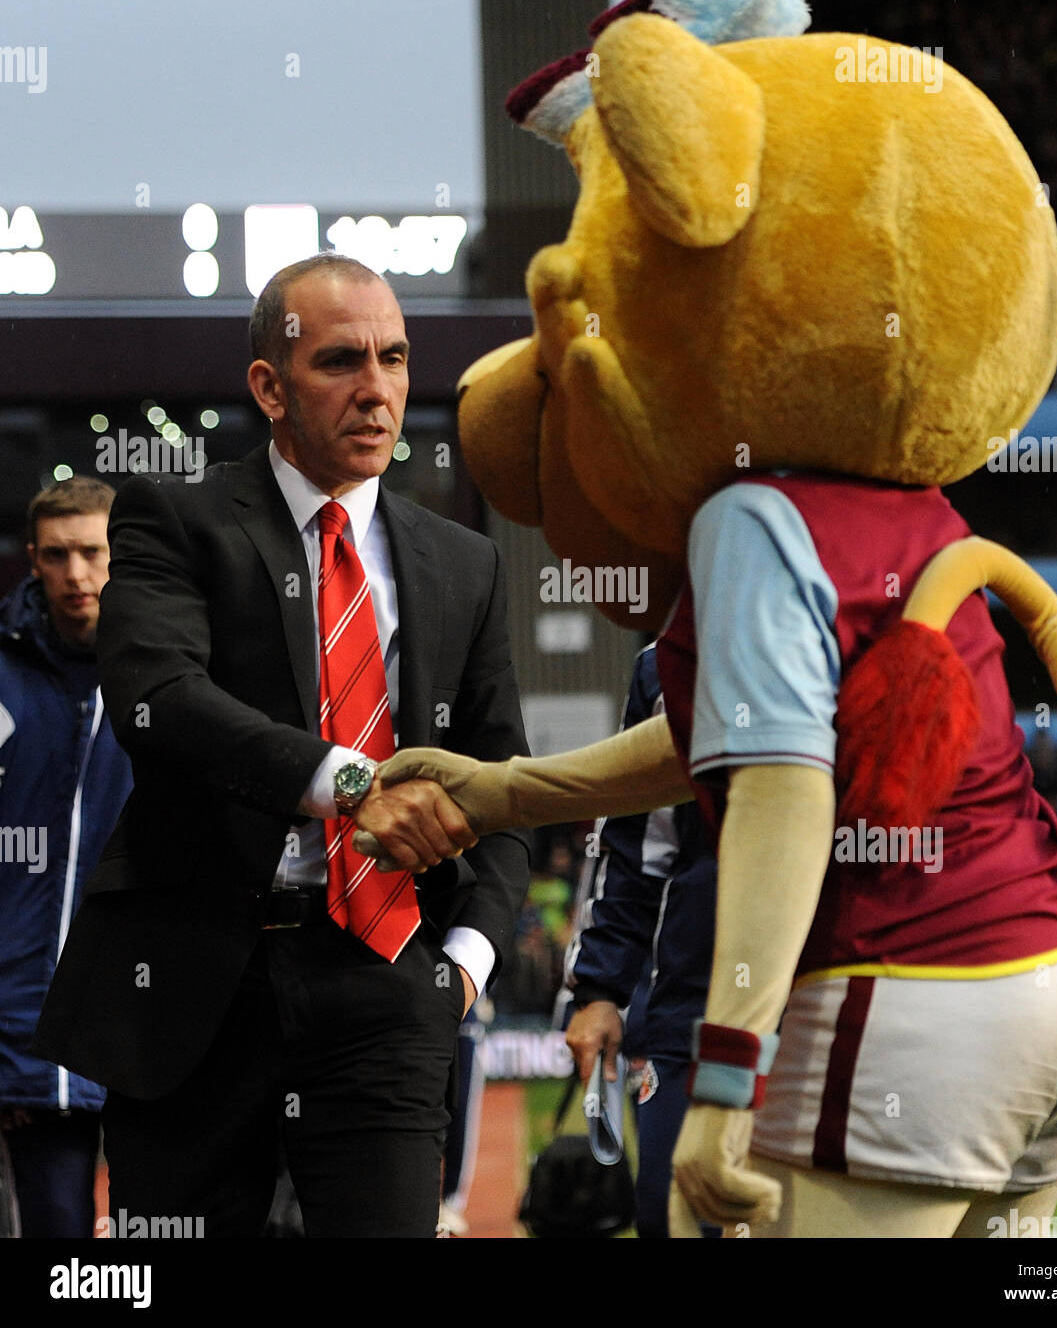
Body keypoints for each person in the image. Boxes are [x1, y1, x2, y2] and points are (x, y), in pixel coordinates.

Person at [34, 254, 531, 1238]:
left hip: (388, 978)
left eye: (393, 357)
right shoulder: (175, 520)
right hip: (189, 984)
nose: (378, 387)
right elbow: (160, 698)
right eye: (342, 360)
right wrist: (348, 783)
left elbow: (503, 784)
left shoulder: (465, 564)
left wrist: (463, 965)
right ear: (269, 385)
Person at [0, 478, 132, 1236]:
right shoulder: (6, 674)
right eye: (57, 556)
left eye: (92, 552)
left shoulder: (174, 670)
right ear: (33, 561)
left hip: (150, 1015)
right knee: (57, 1235)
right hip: (27, 1024)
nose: (76, 574)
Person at [563, 643, 717, 1238]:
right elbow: (634, 846)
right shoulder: (670, 661)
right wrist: (599, 988)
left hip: (833, 995)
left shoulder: (866, 626)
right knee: (668, 1213)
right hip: (692, 1004)